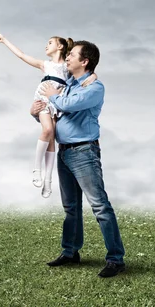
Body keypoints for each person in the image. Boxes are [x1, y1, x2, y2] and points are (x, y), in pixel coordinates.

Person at [31, 40, 126, 278]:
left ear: (85, 61)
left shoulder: (94, 88)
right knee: (70, 208)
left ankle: (115, 259)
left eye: (72, 55)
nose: (68, 58)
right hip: (64, 152)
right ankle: (70, 252)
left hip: (84, 152)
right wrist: (36, 114)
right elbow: (57, 115)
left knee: (100, 206)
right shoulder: (72, 84)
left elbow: (69, 106)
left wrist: (53, 95)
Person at [0, 33, 97, 198]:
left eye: (50, 42)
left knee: (51, 139)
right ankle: (37, 169)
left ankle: (48, 180)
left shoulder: (67, 66)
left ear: (60, 46)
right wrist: (5, 40)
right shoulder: (45, 65)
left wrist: (93, 77)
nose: (46, 46)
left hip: (56, 100)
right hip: (43, 98)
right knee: (47, 130)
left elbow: (85, 73)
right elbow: (21, 55)